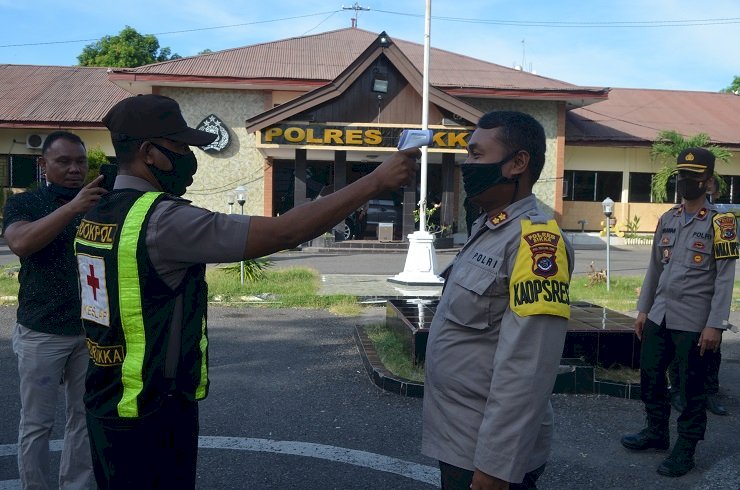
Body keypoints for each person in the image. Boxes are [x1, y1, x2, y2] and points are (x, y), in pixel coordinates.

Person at [73, 94, 418, 489]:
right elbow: (284, 231)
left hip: (105, 396)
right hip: (151, 408)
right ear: (150, 152)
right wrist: (375, 180)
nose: (190, 156)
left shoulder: (99, 210)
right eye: (182, 146)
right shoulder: (162, 220)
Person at [422, 111, 574, 490]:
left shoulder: (537, 242)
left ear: (517, 163)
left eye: (476, 154)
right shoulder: (490, 227)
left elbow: (529, 366)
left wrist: (495, 468)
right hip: (460, 437)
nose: (466, 165)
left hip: (487, 455)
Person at [621, 148, 737, 477]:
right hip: (660, 316)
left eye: (693, 178)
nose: (686, 183)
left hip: (695, 323)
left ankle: (685, 449)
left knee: (690, 390)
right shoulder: (667, 219)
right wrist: (643, 310)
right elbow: (654, 269)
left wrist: (715, 325)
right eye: (682, 177)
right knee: (651, 378)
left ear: (709, 182)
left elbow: (726, 277)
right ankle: (656, 433)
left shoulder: (723, 223)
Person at [3, 131, 104, 489]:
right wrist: (72, 208)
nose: (75, 169)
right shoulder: (26, 204)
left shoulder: (99, 202)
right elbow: (20, 242)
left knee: (83, 418)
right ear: (43, 164)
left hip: (89, 331)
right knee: (36, 423)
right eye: (64, 161)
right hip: (41, 331)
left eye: (80, 161)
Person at [668, 178, 727, 416]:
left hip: (708, 300)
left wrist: (718, 318)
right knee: (679, 351)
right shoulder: (675, 216)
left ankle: (710, 393)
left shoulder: (722, 221)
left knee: (712, 351)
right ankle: (677, 392)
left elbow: (725, 272)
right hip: (680, 300)